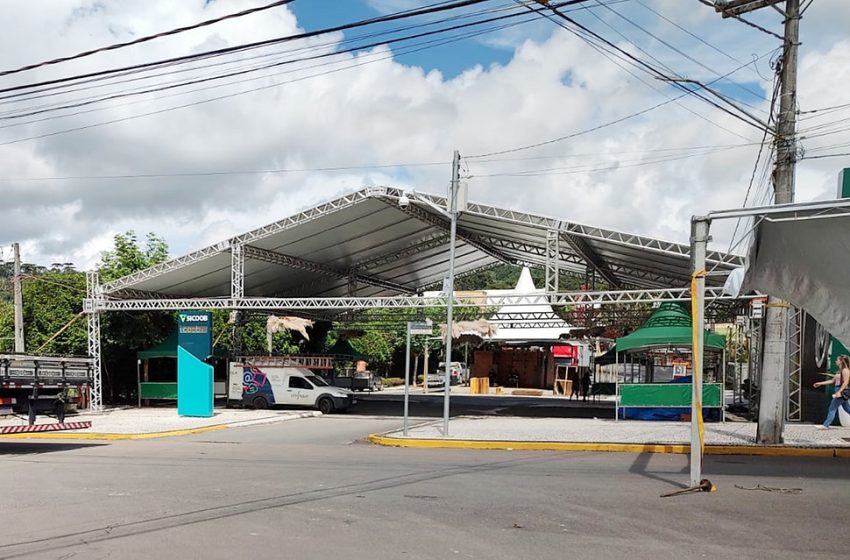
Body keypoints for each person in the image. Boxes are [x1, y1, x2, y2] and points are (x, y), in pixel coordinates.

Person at [817, 355, 850, 429]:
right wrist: (820, 383)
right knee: (847, 408)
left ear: (841, 361)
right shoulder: (839, 371)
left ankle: (826, 425)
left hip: (841, 390)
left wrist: (839, 392)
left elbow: (845, 382)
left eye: (837, 360)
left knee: (832, 408)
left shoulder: (845, 370)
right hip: (838, 389)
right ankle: (826, 425)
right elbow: (832, 381)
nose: (836, 361)